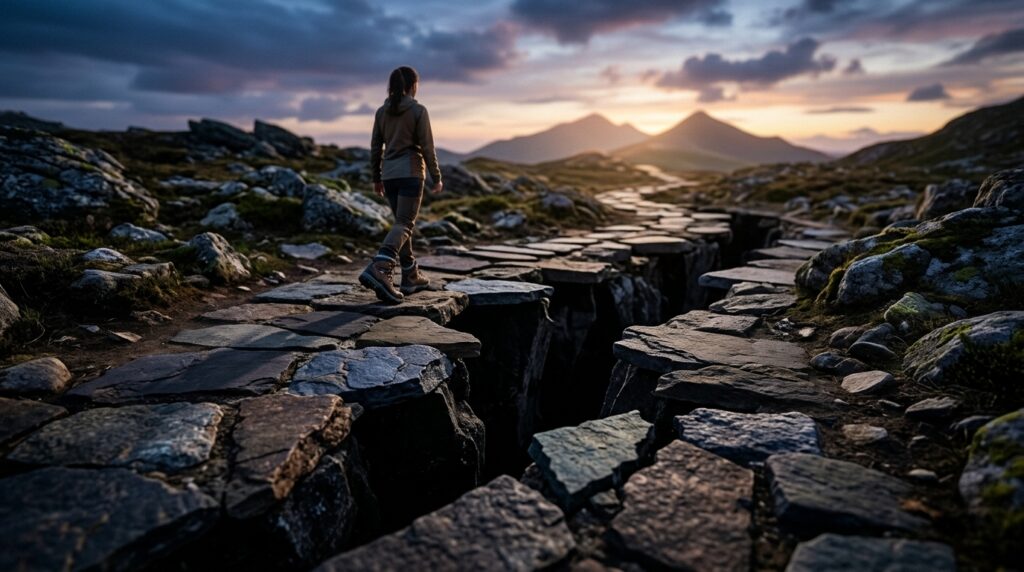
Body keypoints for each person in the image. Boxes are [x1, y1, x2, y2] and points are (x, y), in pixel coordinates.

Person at [359, 65, 443, 304]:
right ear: (413, 86)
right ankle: (381, 266)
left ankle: (410, 274)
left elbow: (376, 147)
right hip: (410, 172)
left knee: (401, 224)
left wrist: (376, 177)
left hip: (389, 175)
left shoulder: (381, 112)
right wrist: (436, 176)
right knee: (405, 223)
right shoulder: (418, 110)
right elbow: (427, 146)